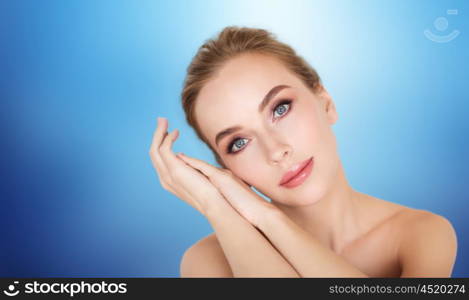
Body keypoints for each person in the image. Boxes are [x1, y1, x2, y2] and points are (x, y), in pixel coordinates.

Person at [149, 26, 457, 277]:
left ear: (326, 103)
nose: (276, 151)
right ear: (228, 171)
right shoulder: (207, 263)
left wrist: (267, 218)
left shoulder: (421, 234)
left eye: (280, 109)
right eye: (238, 143)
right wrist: (217, 207)